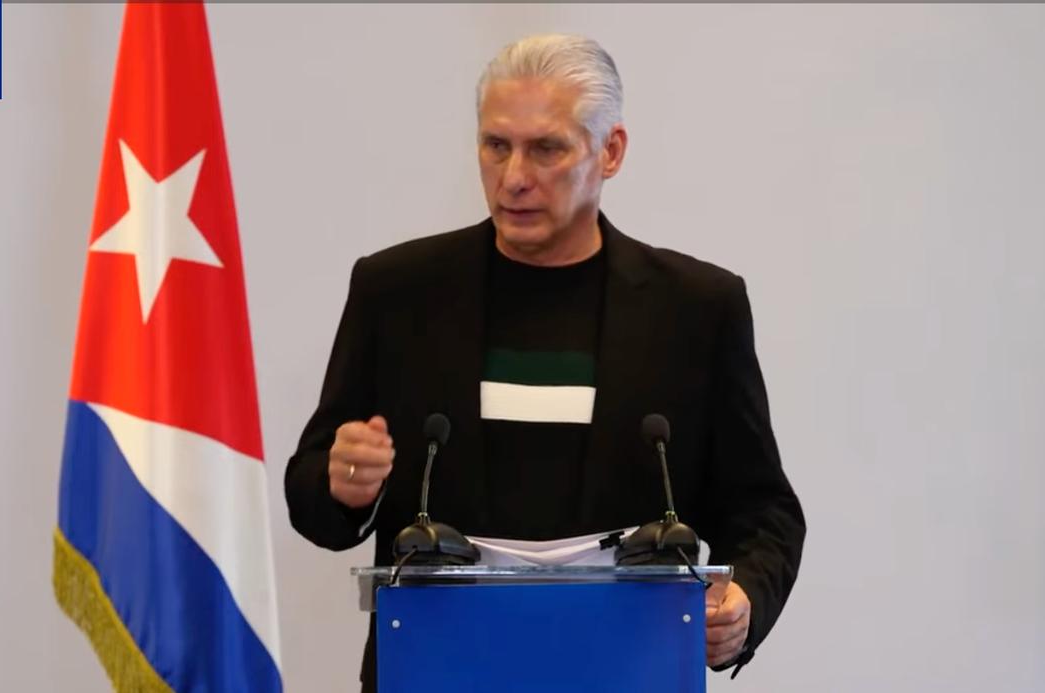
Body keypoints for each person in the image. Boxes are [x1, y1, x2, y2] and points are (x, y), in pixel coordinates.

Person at [285, 34, 805, 689]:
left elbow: (762, 508)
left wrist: (743, 602)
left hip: (627, 668)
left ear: (610, 151)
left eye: (546, 148)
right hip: (438, 666)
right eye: (495, 145)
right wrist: (343, 485)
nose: (513, 177)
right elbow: (312, 491)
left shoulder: (697, 309)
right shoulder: (397, 292)